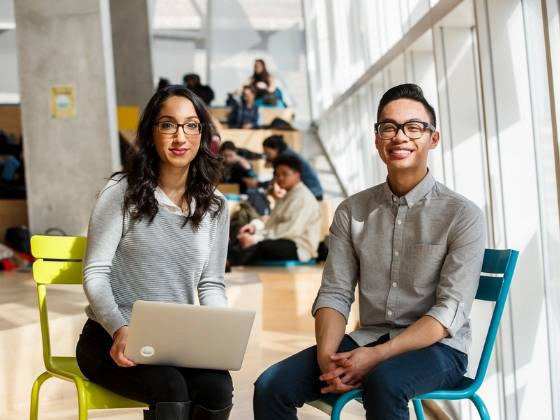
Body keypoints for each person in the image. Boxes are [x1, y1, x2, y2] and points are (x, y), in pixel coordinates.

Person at [253, 83, 486, 420]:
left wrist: (378, 357)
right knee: (271, 386)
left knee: (384, 381)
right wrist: (327, 361)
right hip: (369, 338)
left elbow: (448, 313)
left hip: (438, 349)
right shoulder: (352, 211)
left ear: (433, 139)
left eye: (414, 127)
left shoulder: (462, 215)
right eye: (388, 127)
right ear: (377, 139)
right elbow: (335, 292)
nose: (400, 136)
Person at [76, 85, 233, 420]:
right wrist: (120, 328)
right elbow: (95, 272)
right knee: (171, 388)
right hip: (110, 338)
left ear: (202, 134)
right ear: (151, 132)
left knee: (218, 387)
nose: (181, 136)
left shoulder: (216, 206)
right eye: (168, 125)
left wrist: (219, 332)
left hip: (177, 341)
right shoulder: (122, 192)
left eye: (191, 125)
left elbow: (211, 284)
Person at [228, 154, 320, 266]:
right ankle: (224, 264)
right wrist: (254, 230)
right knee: (238, 240)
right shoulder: (287, 195)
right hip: (282, 240)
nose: (280, 178)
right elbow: (272, 225)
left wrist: (256, 239)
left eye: (285, 174)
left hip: (298, 247)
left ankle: (228, 265)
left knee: (261, 247)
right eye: (277, 174)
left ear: (297, 175)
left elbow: (290, 231)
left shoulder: (303, 198)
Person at [262, 135, 323, 201]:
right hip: (314, 191)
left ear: (276, 149)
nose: (267, 156)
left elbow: (276, 181)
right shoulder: (286, 153)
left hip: (312, 194)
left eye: (268, 153)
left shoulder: (285, 159)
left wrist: (259, 184)